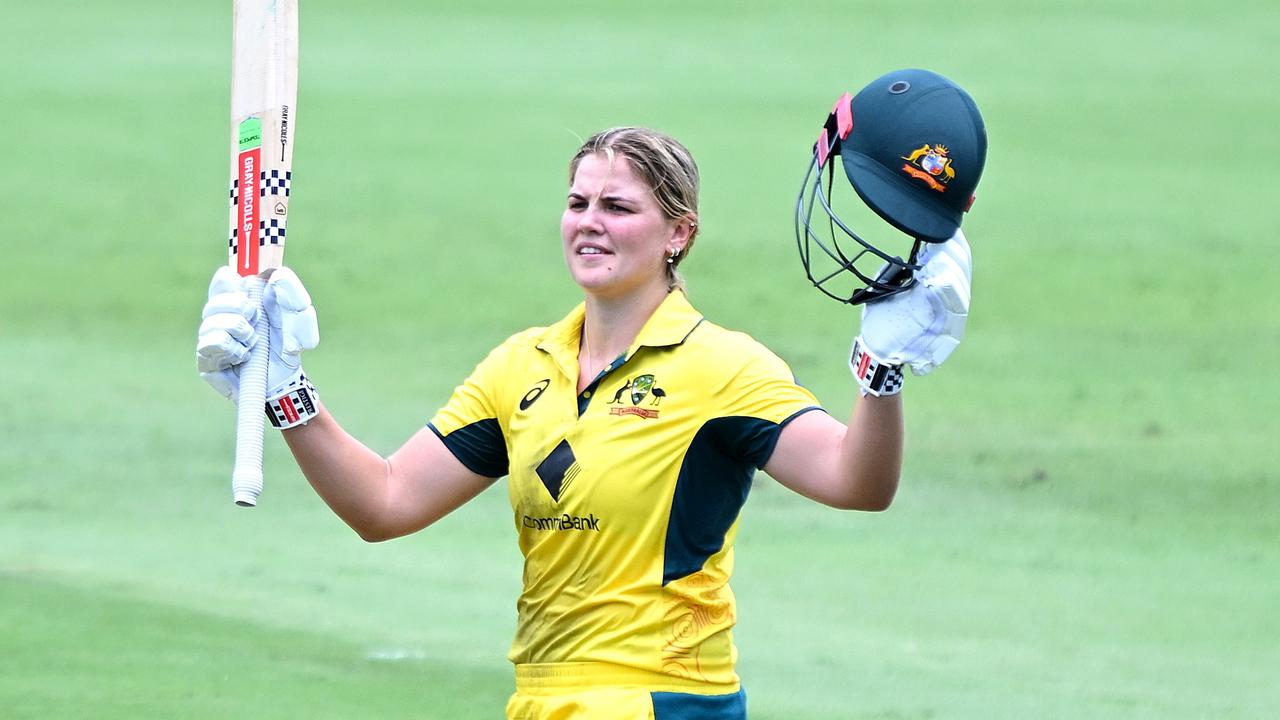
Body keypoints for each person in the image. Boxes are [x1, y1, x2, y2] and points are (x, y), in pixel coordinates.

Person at [197, 69, 985, 720]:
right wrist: (287, 388)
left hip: (665, 702)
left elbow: (859, 483)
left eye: (618, 207)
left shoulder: (723, 369)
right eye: (578, 203)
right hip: (542, 701)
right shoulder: (521, 367)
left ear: (679, 233)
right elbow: (385, 503)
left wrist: (881, 374)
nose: (590, 224)